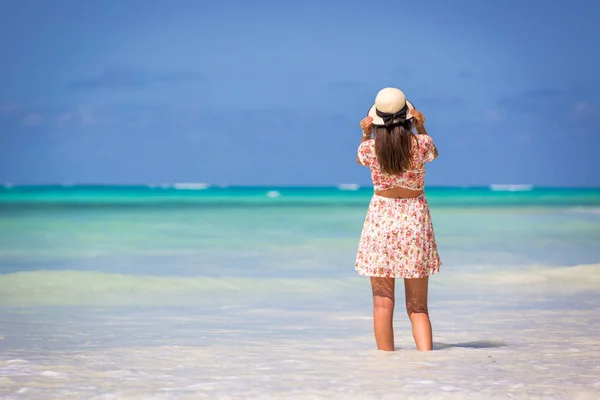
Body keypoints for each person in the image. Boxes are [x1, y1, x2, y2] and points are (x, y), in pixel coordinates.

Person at [355, 87, 442, 351]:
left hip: (381, 221)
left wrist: (366, 134)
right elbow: (433, 153)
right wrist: (422, 128)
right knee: (418, 307)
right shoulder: (421, 144)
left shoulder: (370, 148)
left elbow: (361, 158)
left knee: (382, 302)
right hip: (414, 221)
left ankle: (386, 366)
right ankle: (428, 362)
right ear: (408, 117)